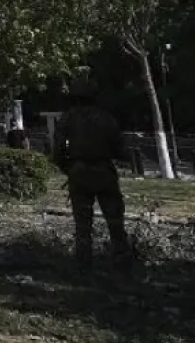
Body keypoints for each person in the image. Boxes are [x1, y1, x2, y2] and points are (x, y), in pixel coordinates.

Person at [52, 78, 132, 267]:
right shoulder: (106, 118)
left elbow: (57, 150)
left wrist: (68, 168)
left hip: (79, 172)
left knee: (82, 223)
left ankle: (84, 262)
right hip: (104, 171)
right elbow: (121, 150)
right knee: (114, 220)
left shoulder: (68, 118)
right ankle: (121, 258)